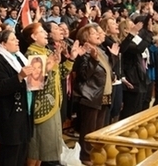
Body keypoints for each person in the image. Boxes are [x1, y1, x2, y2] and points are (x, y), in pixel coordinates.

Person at [23, 23, 77, 166]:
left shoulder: (46, 52)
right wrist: (46, 70)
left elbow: (60, 76)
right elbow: (34, 85)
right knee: (36, 148)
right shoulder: (32, 54)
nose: (46, 34)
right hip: (41, 107)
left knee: (43, 150)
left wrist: (71, 59)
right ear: (34, 37)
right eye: (41, 32)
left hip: (53, 104)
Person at [72, 23, 118, 164]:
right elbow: (84, 75)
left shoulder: (101, 50)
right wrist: (92, 59)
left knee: (99, 129)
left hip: (103, 95)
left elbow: (108, 70)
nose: (98, 35)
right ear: (86, 37)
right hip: (90, 95)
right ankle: (86, 156)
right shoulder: (84, 53)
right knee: (89, 130)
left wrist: (114, 57)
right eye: (94, 33)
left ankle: (96, 153)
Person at [0, 30, 34, 166]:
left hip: (23, 112)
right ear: (3, 44)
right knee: (10, 155)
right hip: (7, 114)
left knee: (21, 152)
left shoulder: (19, 58)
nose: (17, 41)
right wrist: (19, 77)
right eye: (13, 39)